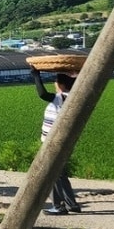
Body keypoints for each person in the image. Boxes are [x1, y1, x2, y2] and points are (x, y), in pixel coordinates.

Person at [33, 70, 83, 215]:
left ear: (60, 85)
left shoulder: (60, 97)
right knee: (61, 174)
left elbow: (42, 94)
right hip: (62, 142)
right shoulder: (73, 97)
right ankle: (71, 204)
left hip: (53, 142)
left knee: (51, 174)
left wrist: (35, 75)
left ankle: (59, 206)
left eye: (56, 82)